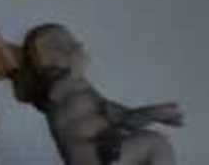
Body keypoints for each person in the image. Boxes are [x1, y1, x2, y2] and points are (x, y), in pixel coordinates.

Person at [21, 24, 184, 165]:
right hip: (90, 157)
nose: (77, 47)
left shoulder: (83, 90)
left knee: (151, 144)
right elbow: (52, 96)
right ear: (44, 58)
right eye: (64, 45)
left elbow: (123, 117)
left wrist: (154, 114)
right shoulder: (54, 91)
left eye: (73, 43)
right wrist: (74, 72)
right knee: (155, 143)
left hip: (107, 153)